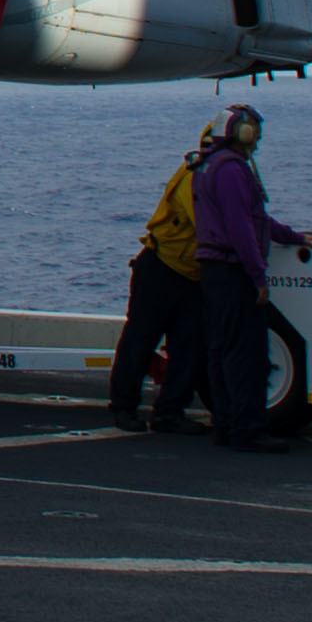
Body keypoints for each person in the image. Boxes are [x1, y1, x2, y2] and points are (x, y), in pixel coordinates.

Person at [191, 104, 306, 451]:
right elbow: (242, 227)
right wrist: (258, 276)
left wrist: (291, 236)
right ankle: (248, 429)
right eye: (253, 132)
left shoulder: (209, 165)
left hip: (215, 271)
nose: (256, 140)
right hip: (233, 272)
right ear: (242, 132)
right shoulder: (232, 171)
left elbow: (253, 219)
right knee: (247, 354)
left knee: (222, 351)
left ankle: (226, 424)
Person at [106, 151, 212, 433]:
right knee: (140, 341)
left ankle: (170, 412)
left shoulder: (212, 174)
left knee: (188, 347)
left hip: (190, 273)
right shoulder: (196, 178)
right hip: (162, 268)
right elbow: (208, 224)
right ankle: (124, 407)